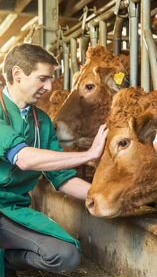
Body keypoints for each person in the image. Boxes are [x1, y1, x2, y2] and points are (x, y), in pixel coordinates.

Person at [0, 43, 108, 277]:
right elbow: (24, 159)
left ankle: (6, 258)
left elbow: (63, 179)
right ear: (17, 75)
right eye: (42, 79)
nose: (49, 87)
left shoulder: (43, 121)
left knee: (66, 255)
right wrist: (89, 154)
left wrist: (102, 195)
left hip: (13, 210)